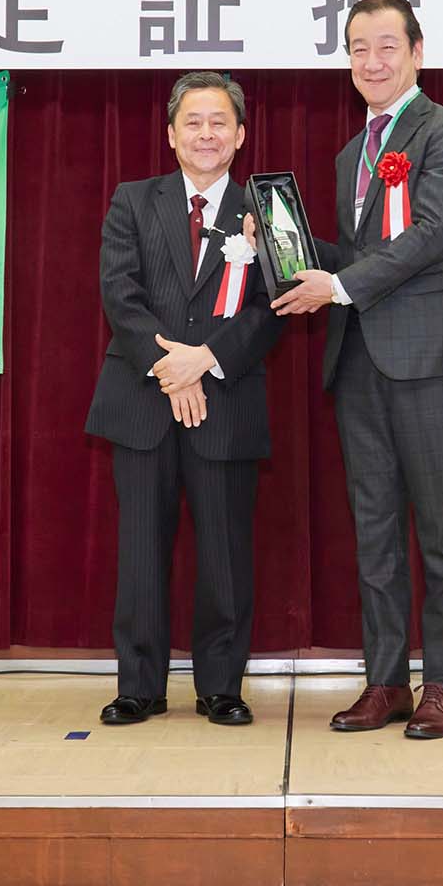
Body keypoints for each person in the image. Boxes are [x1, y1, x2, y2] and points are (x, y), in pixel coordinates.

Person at [265, 0, 443, 739]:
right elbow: (362, 258)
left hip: (430, 356)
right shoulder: (349, 154)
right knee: (376, 530)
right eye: (358, 48)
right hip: (359, 357)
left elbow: (432, 235)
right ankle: (386, 679)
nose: (372, 61)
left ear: (417, 53)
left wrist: (338, 286)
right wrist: (289, 248)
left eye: (387, 46)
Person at [85, 71, 283, 727]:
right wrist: (173, 366)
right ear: (171, 135)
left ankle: (220, 686)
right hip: (144, 399)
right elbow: (121, 293)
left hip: (226, 400)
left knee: (224, 552)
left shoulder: (264, 210)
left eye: (219, 121)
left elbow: (273, 306)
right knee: (141, 551)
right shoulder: (133, 200)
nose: (206, 133)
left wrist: (207, 359)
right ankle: (139, 686)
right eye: (192, 122)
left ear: (241, 135)